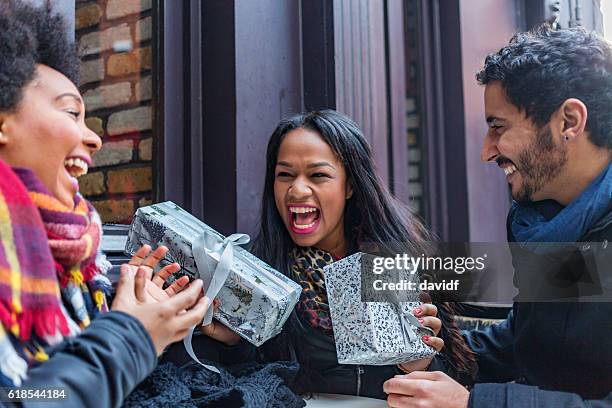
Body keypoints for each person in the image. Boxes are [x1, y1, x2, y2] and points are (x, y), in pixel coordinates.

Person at [383, 25, 612, 407]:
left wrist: (473, 404)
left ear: (569, 122)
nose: (487, 152)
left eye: (498, 128)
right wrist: (431, 356)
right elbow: (526, 345)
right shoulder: (542, 223)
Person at [0, 3, 209, 407]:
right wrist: (132, 336)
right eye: (71, 113)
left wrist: (132, 317)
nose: (93, 138)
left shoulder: (73, 263)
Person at [199, 110, 477, 399]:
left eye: (318, 175)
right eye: (285, 175)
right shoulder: (256, 274)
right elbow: (241, 384)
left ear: (350, 185)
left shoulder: (398, 260)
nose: (297, 189)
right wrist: (235, 342)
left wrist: (416, 362)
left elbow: (456, 379)